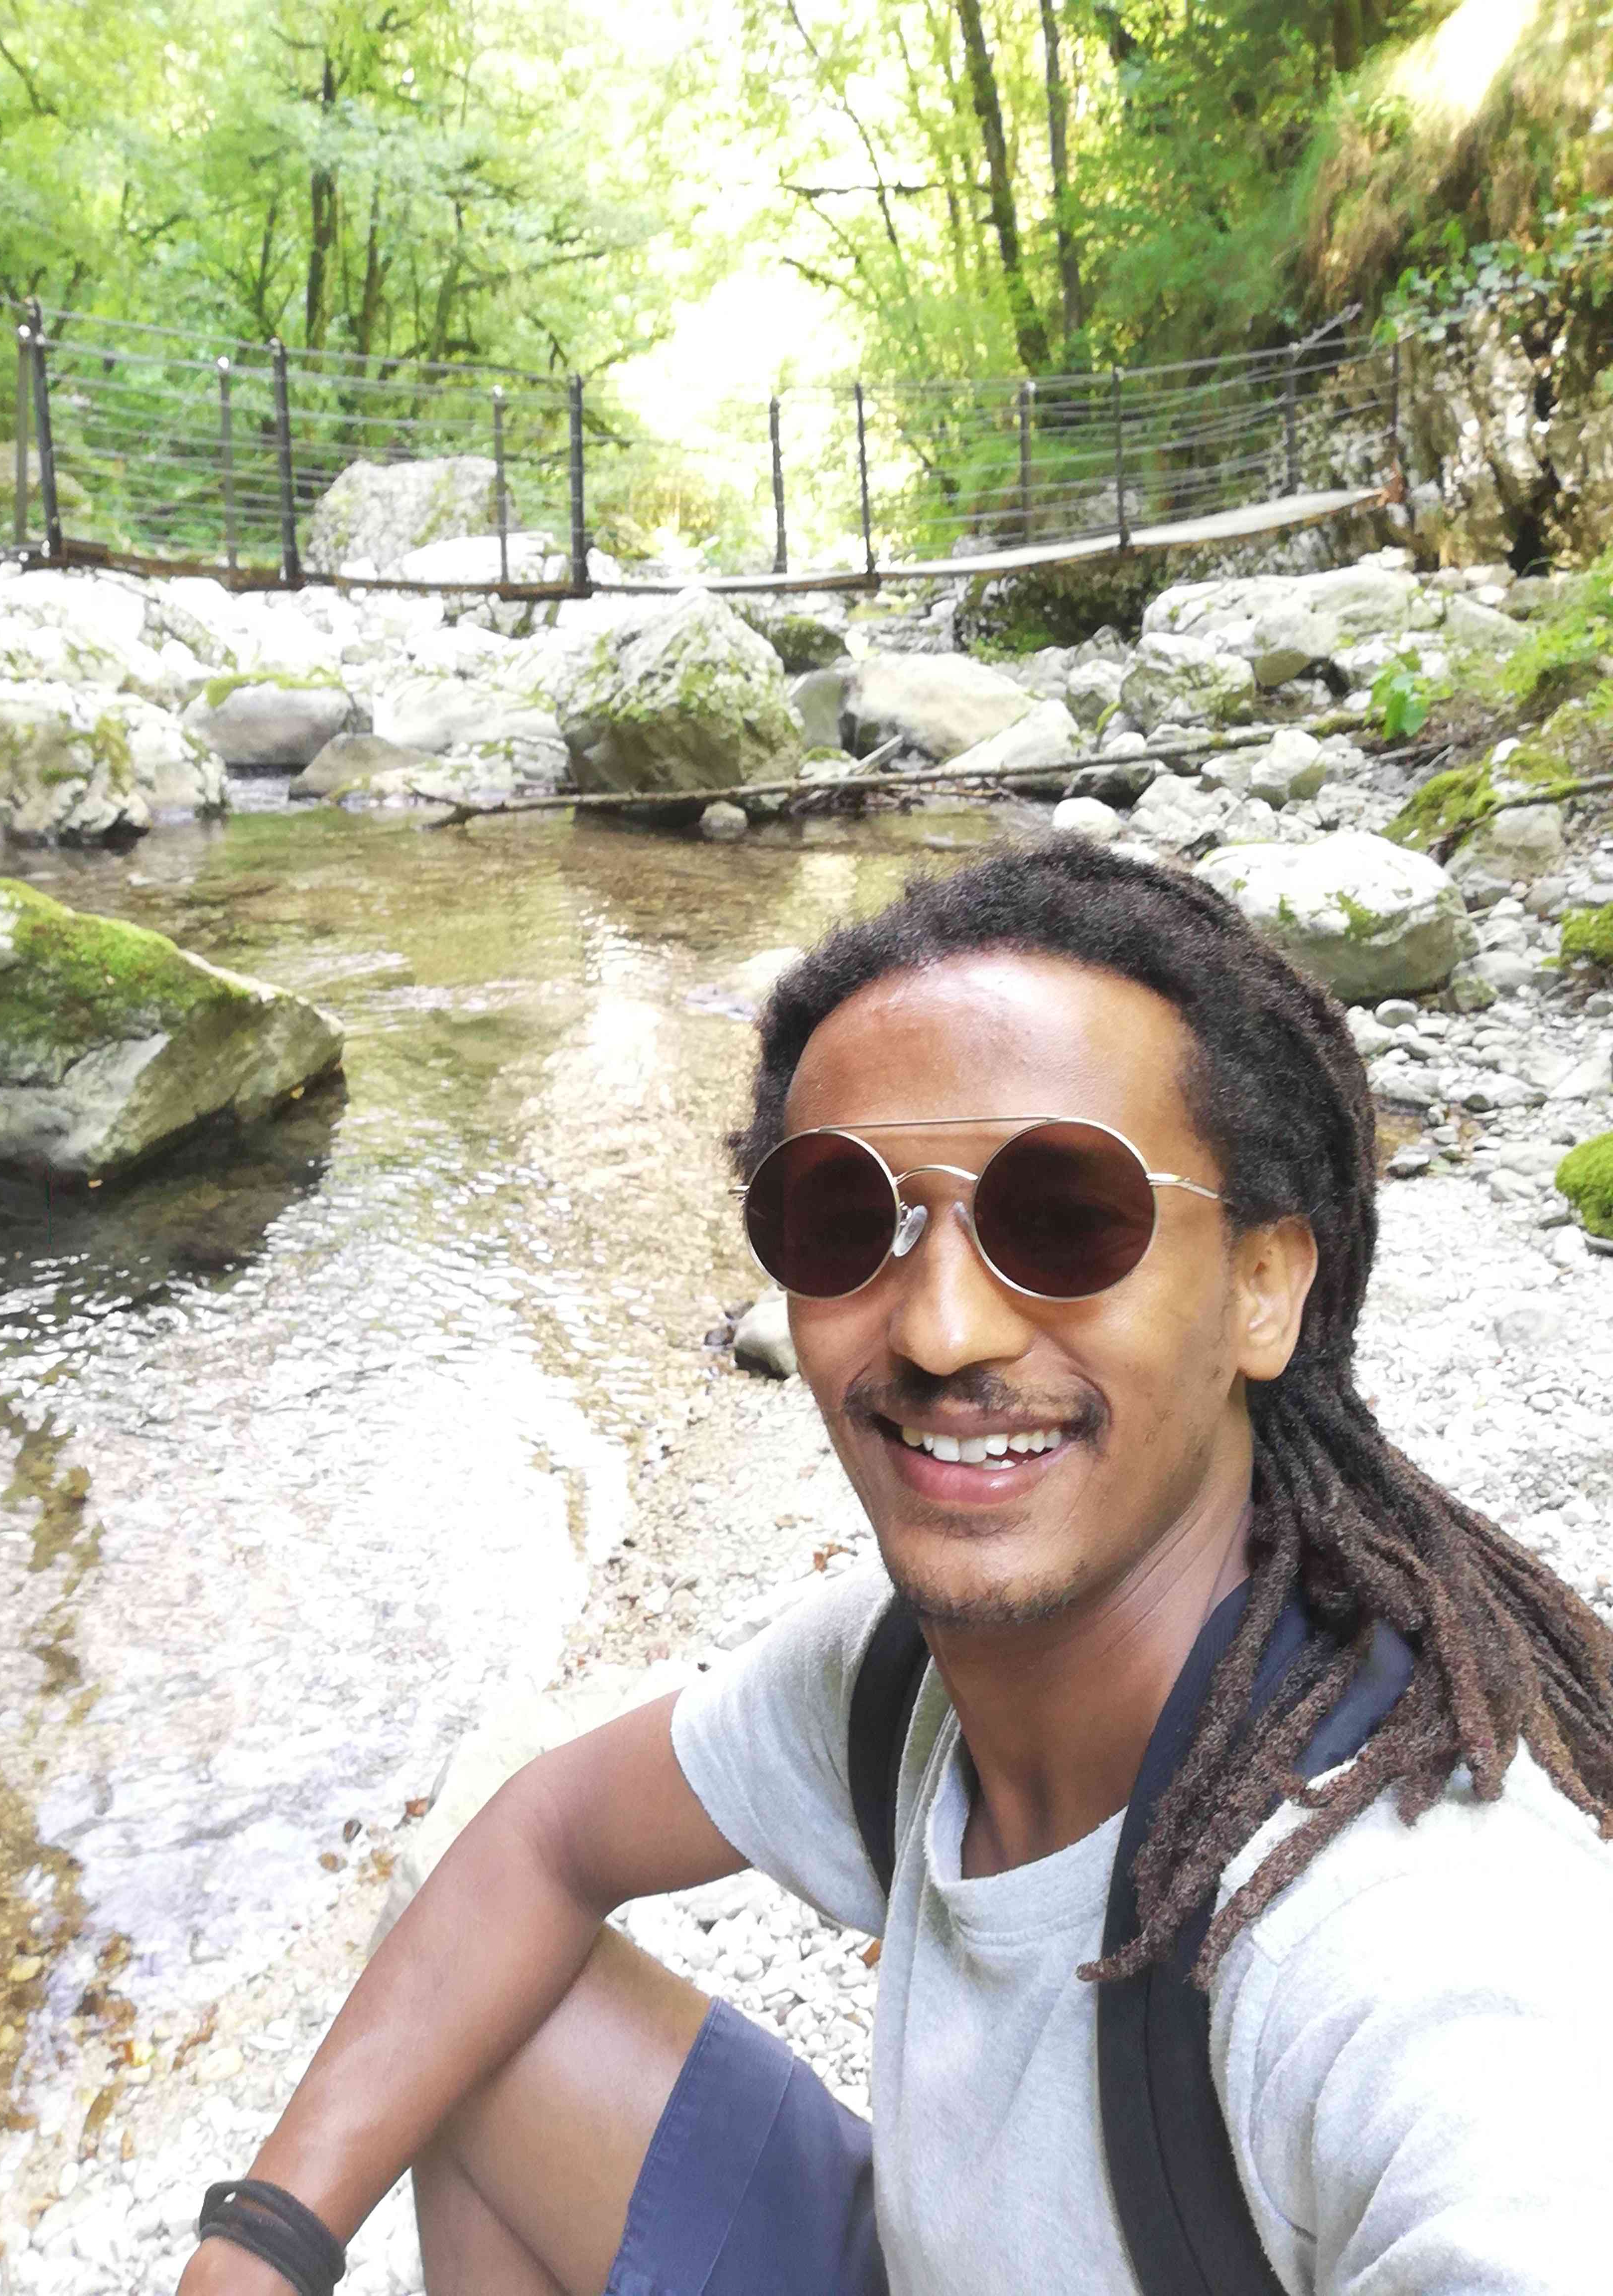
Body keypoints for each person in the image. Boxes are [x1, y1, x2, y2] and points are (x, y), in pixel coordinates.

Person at [179, 838, 1613, 2296]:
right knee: (482, 2018)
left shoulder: (1414, 1946)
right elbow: (542, 1837)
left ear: (1262, 1286)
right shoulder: (901, 1677)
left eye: (1066, 1218)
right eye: (848, 1223)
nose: (940, 1329)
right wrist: (263, 2241)